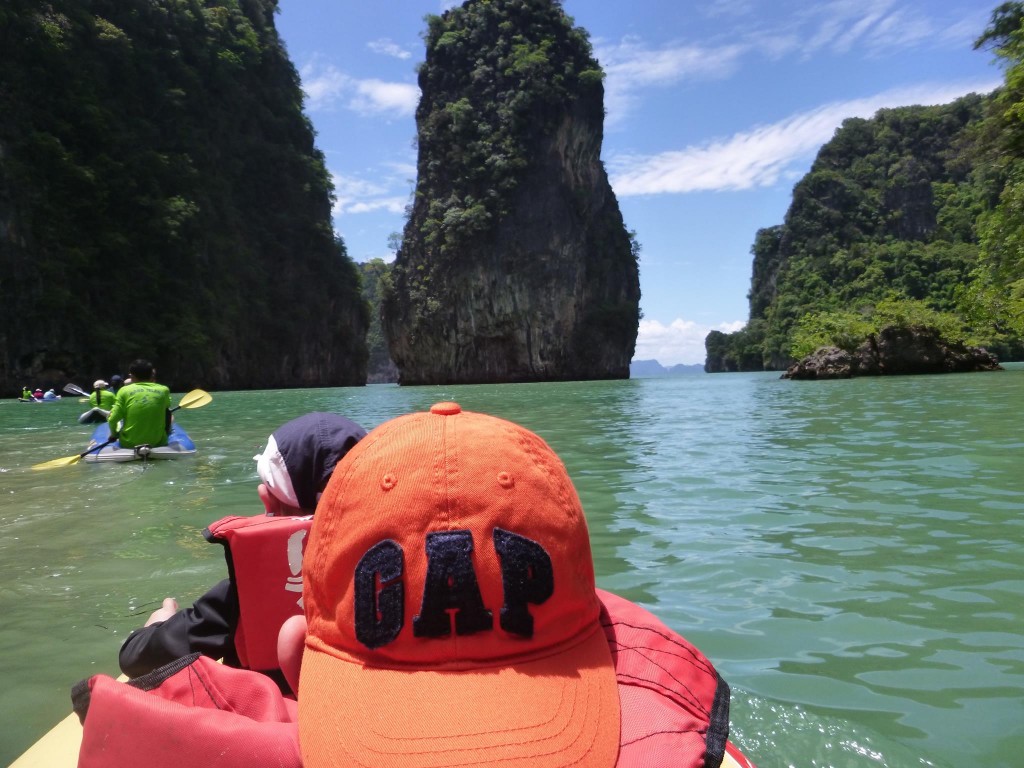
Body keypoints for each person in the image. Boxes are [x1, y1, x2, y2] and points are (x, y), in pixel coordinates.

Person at [118, 412, 367, 688]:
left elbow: (134, 660)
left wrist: (158, 623)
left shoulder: (238, 597)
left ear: (268, 501)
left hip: (276, 722)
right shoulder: (405, 577)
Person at [106, 359, 171, 449]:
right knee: (168, 412)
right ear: (151, 374)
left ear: (131, 375)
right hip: (157, 443)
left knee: (111, 414)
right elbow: (167, 407)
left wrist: (113, 435)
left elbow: (113, 419)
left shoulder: (124, 390)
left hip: (129, 444)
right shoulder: (164, 390)